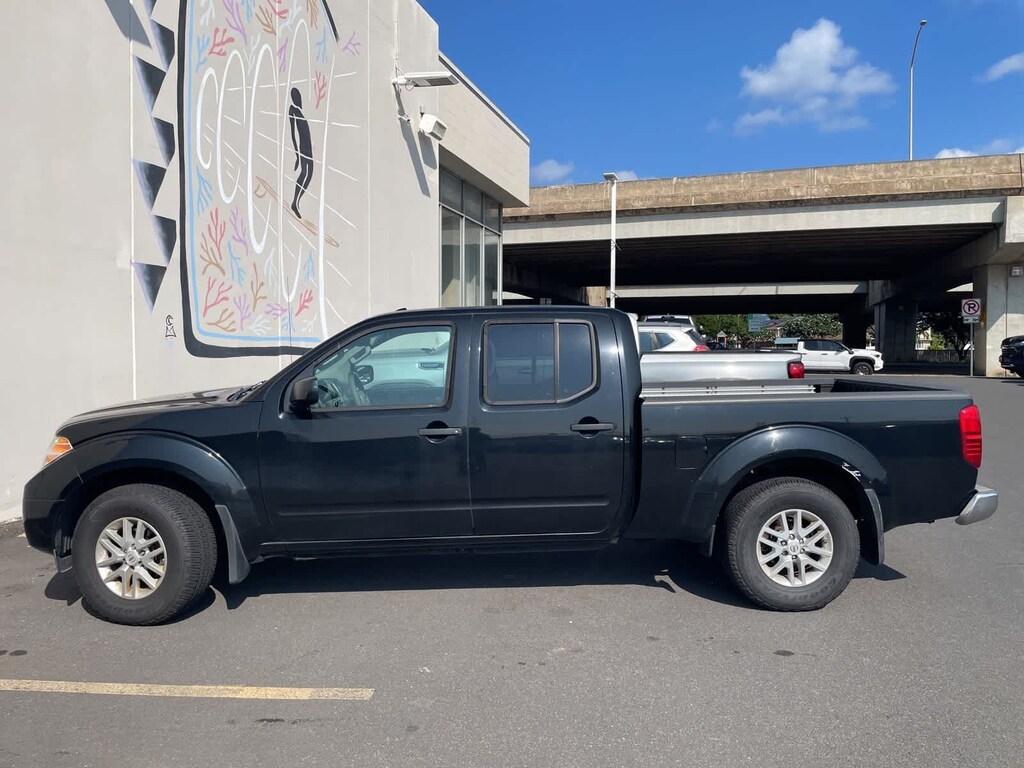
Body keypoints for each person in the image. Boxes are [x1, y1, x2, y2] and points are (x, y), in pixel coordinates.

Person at [289, 88, 313, 219]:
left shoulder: (299, 111)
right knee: (305, 173)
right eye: (297, 97)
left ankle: (296, 201)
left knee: (308, 174)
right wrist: (297, 154)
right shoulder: (293, 110)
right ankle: (295, 202)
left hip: (308, 147)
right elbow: (293, 134)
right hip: (304, 148)